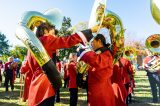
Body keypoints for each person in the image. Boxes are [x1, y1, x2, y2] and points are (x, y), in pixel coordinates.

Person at [22, 22, 98, 106]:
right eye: (53, 33)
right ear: (45, 31)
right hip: (46, 84)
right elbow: (67, 40)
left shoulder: (32, 45)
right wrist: (90, 31)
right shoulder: (45, 39)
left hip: (35, 84)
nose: (55, 36)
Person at [78, 34, 115, 106]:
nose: (92, 44)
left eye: (93, 42)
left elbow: (97, 62)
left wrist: (85, 52)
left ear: (99, 41)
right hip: (97, 90)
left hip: (101, 92)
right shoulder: (100, 53)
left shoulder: (106, 53)